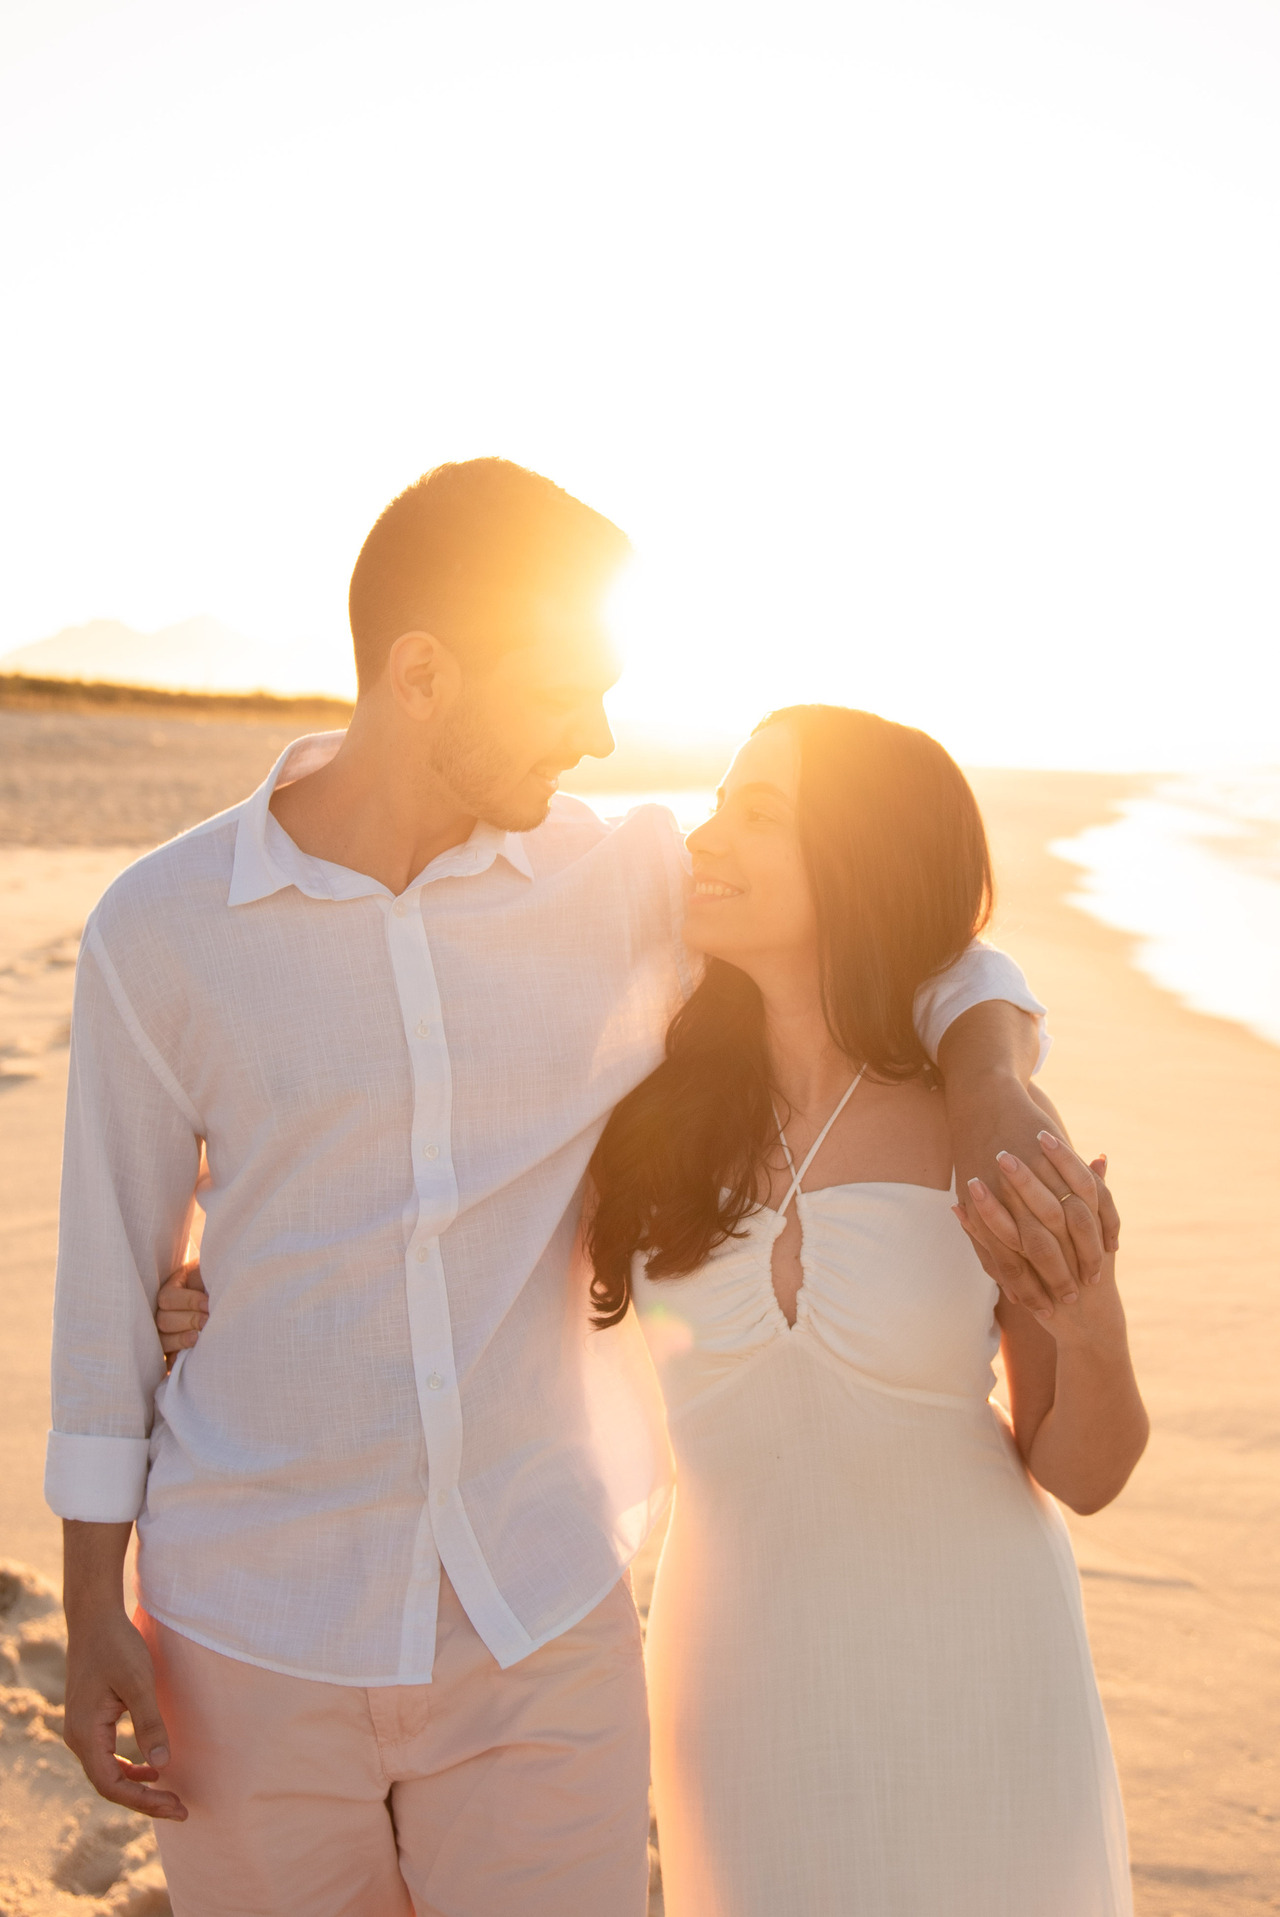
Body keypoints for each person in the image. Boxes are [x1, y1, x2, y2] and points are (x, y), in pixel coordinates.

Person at [52, 458, 1091, 1917]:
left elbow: (905, 926)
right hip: (250, 1627)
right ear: (422, 675)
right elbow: (107, 1285)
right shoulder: (162, 930)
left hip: (539, 1616)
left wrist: (988, 1070)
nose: (601, 739)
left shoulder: (618, 885)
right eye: (566, 692)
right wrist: (94, 1601)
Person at [587, 705, 1147, 1917]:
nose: (709, 834)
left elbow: (1085, 1471)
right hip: (735, 1683)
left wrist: (1094, 1322)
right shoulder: (647, 1106)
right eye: (719, 799)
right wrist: (229, 1297)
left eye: (760, 812)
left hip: (981, 1665)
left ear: (860, 860)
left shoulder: (977, 1118)